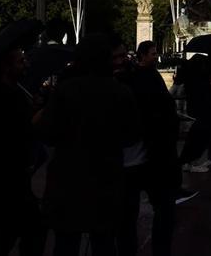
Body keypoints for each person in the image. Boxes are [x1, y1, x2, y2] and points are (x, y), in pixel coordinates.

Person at [37, 34, 141, 256]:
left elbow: (48, 133)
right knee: (104, 241)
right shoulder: (120, 91)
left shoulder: (65, 90)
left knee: (66, 242)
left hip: (68, 175)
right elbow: (132, 135)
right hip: (107, 174)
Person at [0, 43, 47, 256]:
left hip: (2, 169)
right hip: (6, 170)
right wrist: (43, 111)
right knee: (30, 228)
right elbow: (23, 129)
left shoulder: (10, 90)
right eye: (21, 61)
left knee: (5, 230)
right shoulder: (3, 94)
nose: (26, 64)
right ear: (6, 67)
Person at [117, 40, 180, 256]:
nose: (124, 59)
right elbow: (168, 112)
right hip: (152, 156)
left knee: (126, 218)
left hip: (131, 159)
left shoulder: (115, 82)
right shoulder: (148, 78)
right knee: (162, 210)